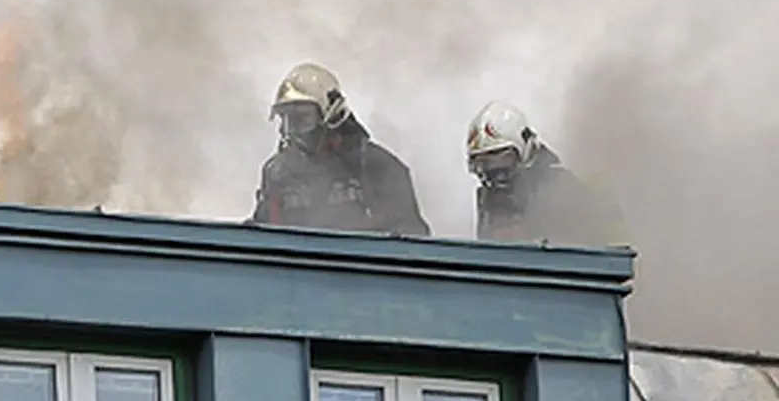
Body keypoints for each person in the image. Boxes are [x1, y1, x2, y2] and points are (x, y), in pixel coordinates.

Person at [250, 62, 432, 236]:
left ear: (331, 115)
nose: (292, 130)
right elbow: (262, 238)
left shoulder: (375, 167)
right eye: (286, 119)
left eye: (302, 118)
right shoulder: (277, 174)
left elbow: (411, 239)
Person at [466, 100, 625, 246]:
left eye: (500, 163)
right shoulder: (487, 199)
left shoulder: (563, 190)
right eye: (482, 167)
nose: (492, 177)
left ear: (526, 148)